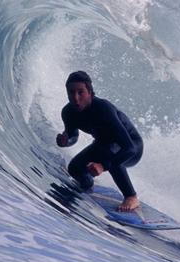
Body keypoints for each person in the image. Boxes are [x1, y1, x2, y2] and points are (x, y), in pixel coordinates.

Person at [56, 71, 144, 212]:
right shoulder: (68, 112)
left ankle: (131, 196)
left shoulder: (104, 109)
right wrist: (66, 141)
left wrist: (102, 166)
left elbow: (129, 148)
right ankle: (88, 183)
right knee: (74, 168)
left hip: (131, 148)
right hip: (103, 146)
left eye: (81, 92)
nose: (76, 98)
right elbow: (73, 135)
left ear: (90, 92)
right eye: (71, 92)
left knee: (109, 155)